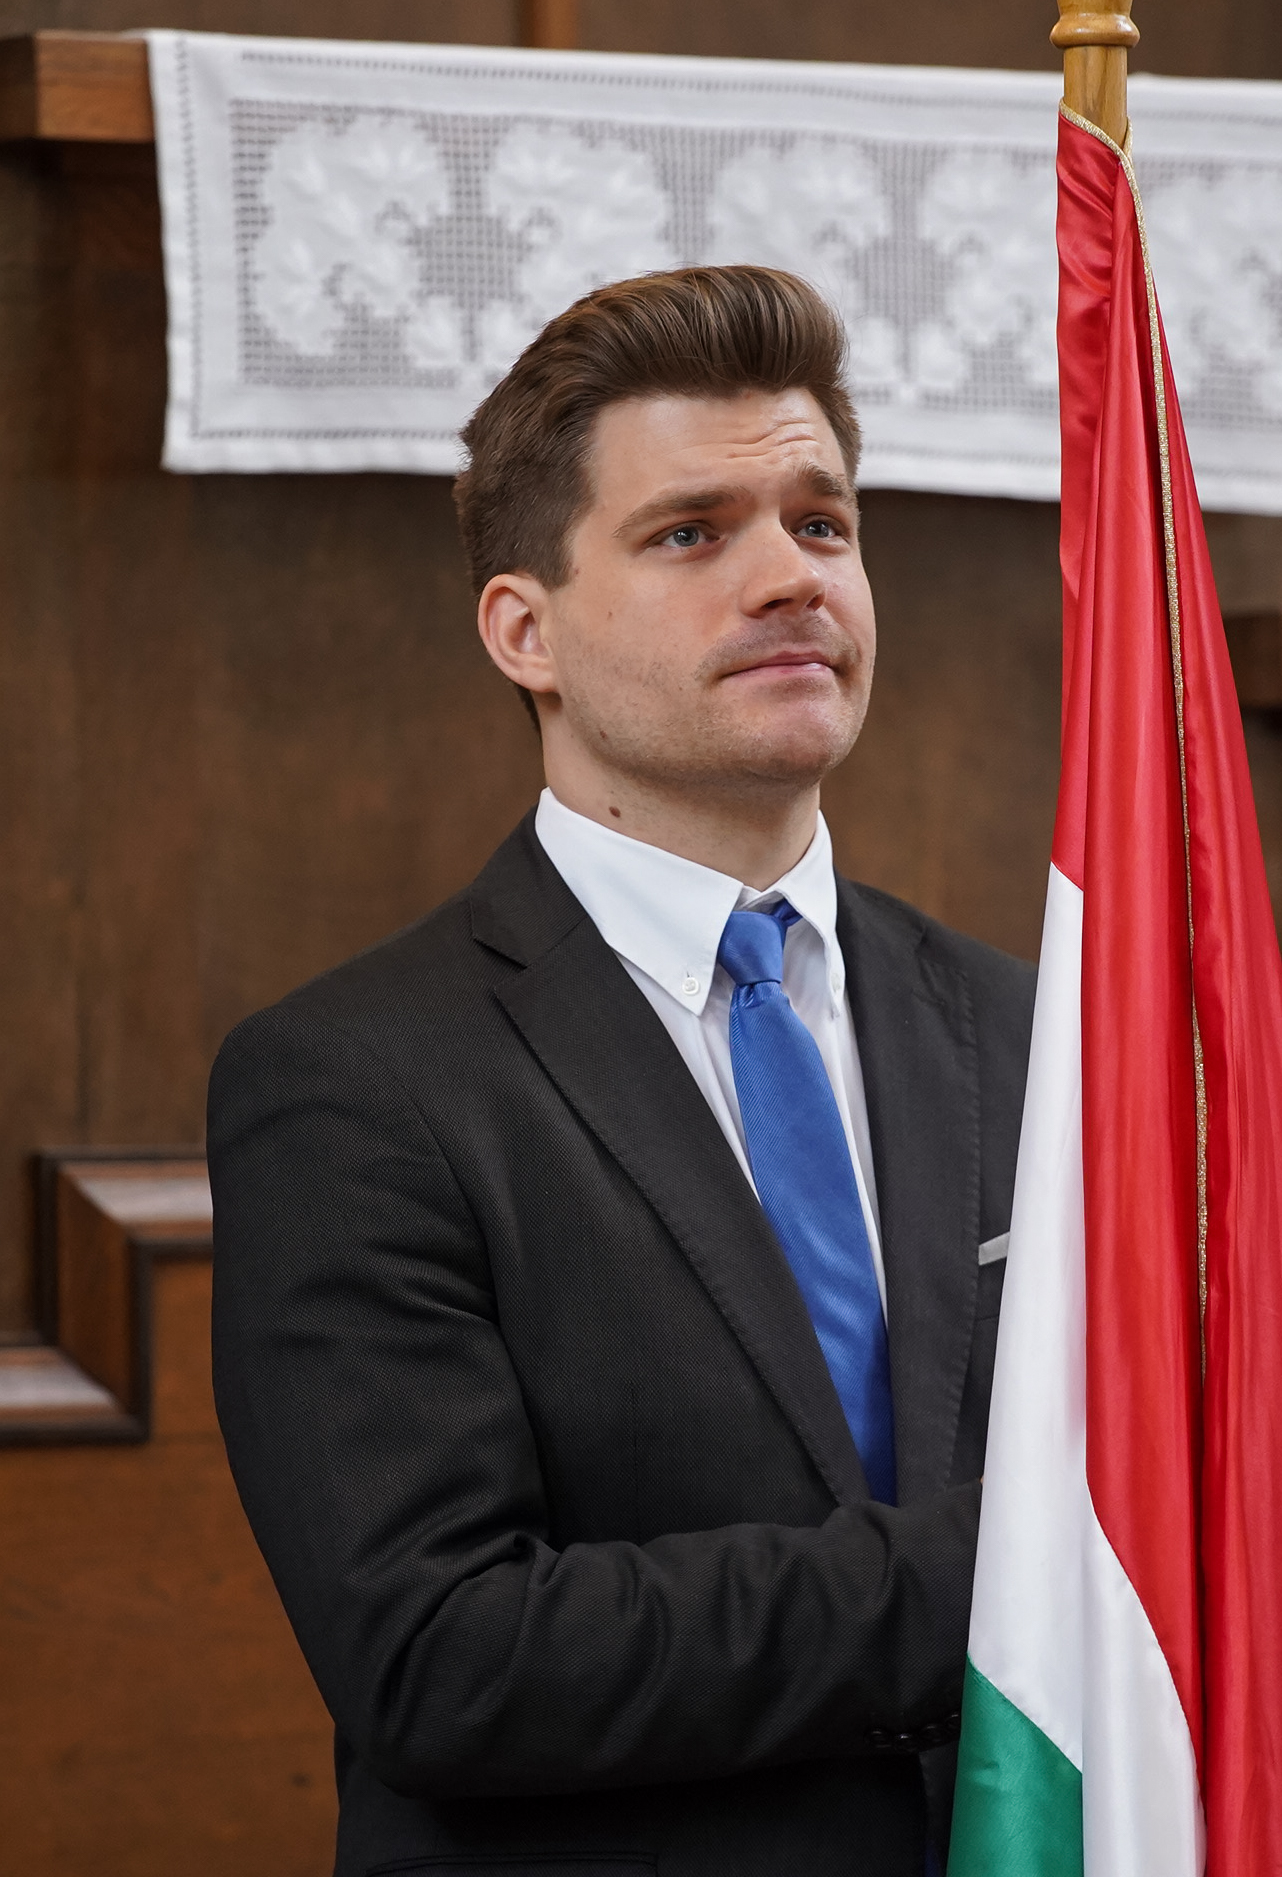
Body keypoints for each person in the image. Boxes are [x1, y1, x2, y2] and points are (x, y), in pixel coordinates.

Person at [209, 265, 1034, 1877]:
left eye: (822, 521)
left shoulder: (1026, 1029)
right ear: (525, 630)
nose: (789, 577)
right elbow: (444, 1661)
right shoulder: (353, 1083)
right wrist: (1016, 1578)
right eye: (690, 534)